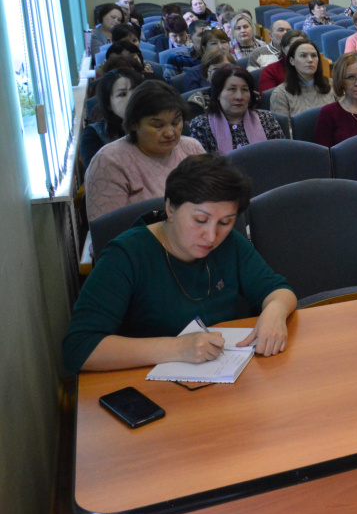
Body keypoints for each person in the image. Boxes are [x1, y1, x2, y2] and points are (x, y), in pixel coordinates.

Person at [65, 154, 297, 373]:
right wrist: (177, 348)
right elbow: (79, 348)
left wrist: (275, 311)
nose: (211, 236)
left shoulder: (229, 244)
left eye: (225, 222)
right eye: (200, 220)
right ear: (171, 209)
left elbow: (278, 289)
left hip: (225, 375)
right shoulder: (126, 256)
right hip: (152, 386)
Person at [85, 81, 205, 221]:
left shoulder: (192, 148)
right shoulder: (109, 162)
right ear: (134, 124)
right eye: (158, 125)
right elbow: (109, 232)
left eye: (175, 123)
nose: (170, 133)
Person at [188, 65, 285, 153]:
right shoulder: (201, 125)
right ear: (218, 94)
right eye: (232, 89)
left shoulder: (267, 119)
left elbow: (281, 156)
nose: (239, 97)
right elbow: (201, 168)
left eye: (244, 90)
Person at [81, 69, 143, 170]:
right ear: (108, 104)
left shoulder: (158, 125)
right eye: (122, 94)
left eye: (137, 92)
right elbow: (97, 174)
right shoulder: (94, 133)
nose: (132, 98)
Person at [270, 39, 336, 117]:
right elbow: (283, 128)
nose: (310, 60)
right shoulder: (280, 94)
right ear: (292, 61)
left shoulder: (332, 84)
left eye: (314, 55)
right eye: (303, 56)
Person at [257, 29, 307, 94]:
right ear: (283, 48)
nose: (298, 49)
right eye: (292, 46)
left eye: (301, 46)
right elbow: (270, 100)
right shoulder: (270, 71)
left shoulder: (311, 66)